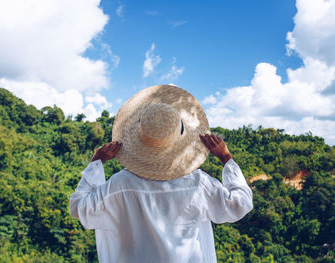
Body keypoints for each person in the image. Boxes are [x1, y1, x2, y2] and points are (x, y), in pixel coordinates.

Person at [70, 85, 253, 263]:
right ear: (181, 136)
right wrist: (226, 158)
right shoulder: (198, 184)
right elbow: (240, 204)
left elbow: (79, 207)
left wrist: (96, 161)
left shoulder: (119, 185)